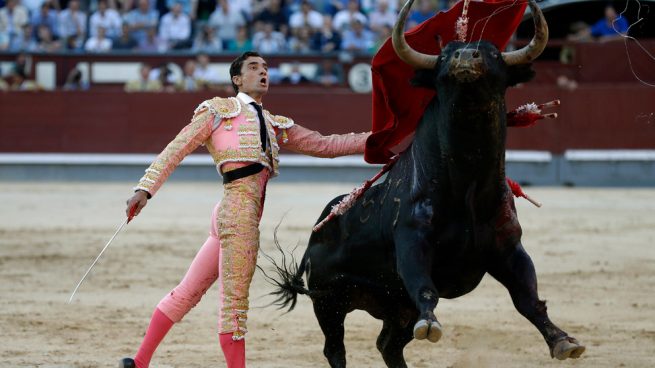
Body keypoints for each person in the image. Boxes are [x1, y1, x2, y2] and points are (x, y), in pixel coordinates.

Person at [118, 51, 371, 368]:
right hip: (238, 215)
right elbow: (177, 148)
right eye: (254, 68)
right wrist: (145, 188)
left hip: (232, 211)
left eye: (265, 68)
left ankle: (139, 362)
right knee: (234, 304)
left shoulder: (274, 123)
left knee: (189, 292)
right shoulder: (219, 111)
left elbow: (326, 144)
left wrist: (378, 139)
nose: (263, 72)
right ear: (236, 79)